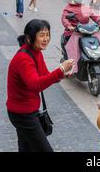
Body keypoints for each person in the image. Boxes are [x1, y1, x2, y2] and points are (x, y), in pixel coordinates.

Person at [7, 19, 75, 152]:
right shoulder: (23, 58)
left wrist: (62, 75)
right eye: (42, 35)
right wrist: (60, 70)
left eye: (47, 34)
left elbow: (44, 76)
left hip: (27, 110)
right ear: (29, 38)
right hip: (22, 114)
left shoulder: (36, 52)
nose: (46, 39)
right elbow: (35, 84)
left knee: (25, 148)